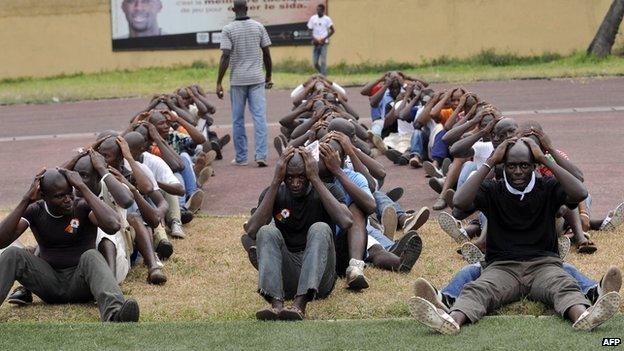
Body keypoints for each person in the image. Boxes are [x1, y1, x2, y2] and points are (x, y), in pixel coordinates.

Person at [409, 138, 621, 334]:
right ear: (503, 166)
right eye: (511, 166)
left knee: (563, 286)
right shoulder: (492, 189)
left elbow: (580, 192)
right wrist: (490, 161)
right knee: (478, 290)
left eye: (525, 165)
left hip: (543, 264)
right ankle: (451, 321)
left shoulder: (546, 187)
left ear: (534, 166)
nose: (518, 171)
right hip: (502, 266)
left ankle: (584, 317)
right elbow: (460, 203)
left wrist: (543, 157)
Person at [0, 169, 140, 322]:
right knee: (13, 253)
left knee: (91, 255)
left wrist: (83, 188)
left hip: (81, 283)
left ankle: (115, 315)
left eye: (69, 193)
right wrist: (26, 199)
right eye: (60, 196)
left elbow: (113, 225)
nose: (68, 199)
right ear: (43, 196)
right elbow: (2, 241)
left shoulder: (82, 206)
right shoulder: (35, 210)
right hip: (49, 283)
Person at [244, 147, 353, 321]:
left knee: (320, 228)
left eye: (301, 177)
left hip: (320, 279)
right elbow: (252, 231)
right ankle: (276, 305)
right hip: (289, 274)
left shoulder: (329, 190)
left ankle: (299, 305)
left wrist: (315, 179)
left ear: (310, 172)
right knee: (266, 231)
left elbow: (346, 222)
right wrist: (275, 182)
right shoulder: (275, 192)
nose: (295, 183)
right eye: (289, 177)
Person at [216, 0, 273, 167]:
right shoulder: (258, 26)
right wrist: (268, 75)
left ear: (233, 9)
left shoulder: (228, 29)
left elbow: (225, 56)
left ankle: (241, 157)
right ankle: (261, 155)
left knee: (238, 119)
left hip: (238, 80)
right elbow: (267, 55)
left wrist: (219, 82)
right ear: (247, 8)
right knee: (260, 118)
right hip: (257, 79)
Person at [307, 4, 335, 76]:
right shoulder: (313, 18)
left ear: (323, 10)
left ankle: (323, 76)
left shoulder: (327, 19)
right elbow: (309, 30)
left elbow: (332, 30)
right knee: (315, 63)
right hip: (316, 42)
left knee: (323, 61)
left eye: (319, 10)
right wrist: (314, 39)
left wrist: (324, 38)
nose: (318, 11)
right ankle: (322, 73)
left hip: (323, 43)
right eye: (317, 9)